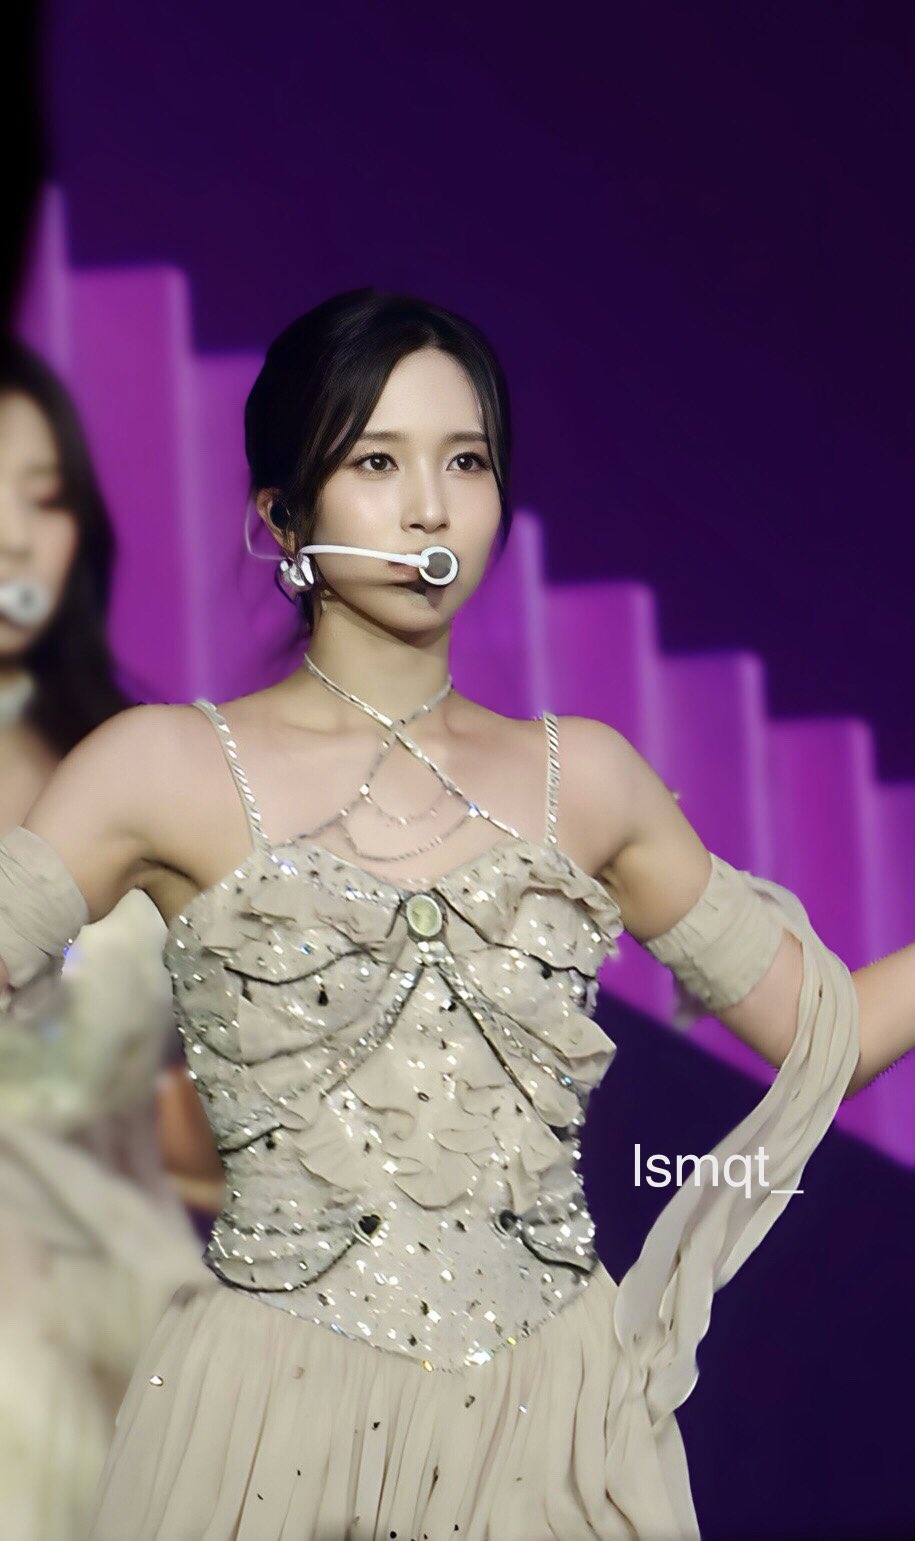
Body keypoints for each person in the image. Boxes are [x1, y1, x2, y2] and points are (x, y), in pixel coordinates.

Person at [0, 291, 911, 1541]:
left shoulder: (589, 778)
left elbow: (827, 1032)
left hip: (557, 1429)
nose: (430, 505)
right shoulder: (162, 766)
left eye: (466, 461)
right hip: (275, 1426)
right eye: (377, 462)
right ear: (280, 514)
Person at [0, 337, 212, 1541]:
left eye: (45, 498)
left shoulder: (141, 763)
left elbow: (179, 1103)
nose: (13, 540)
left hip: (141, 1308)